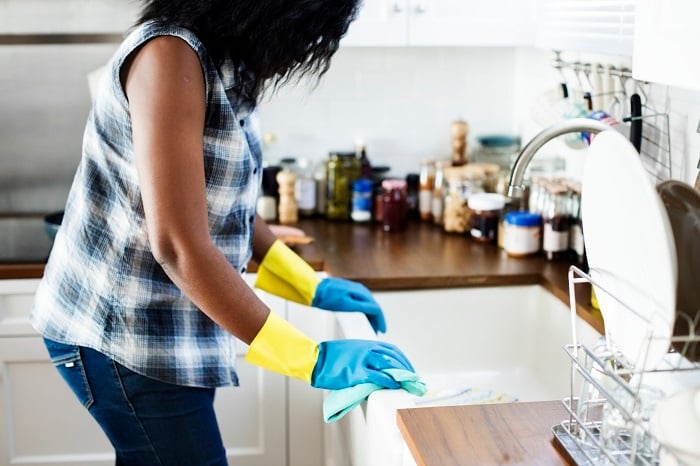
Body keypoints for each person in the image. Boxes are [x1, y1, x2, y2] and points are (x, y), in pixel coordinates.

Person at [30, 1, 418, 464]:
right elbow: (177, 244)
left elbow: (221, 199)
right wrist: (309, 357)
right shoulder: (168, 57)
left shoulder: (218, 62)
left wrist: (305, 283)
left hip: (166, 328)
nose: (303, 51)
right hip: (121, 335)